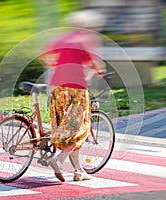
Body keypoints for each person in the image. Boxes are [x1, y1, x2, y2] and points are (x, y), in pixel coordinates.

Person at [39, 10, 106, 182]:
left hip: (58, 89)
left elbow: (42, 55)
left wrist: (54, 64)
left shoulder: (63, 38)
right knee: (79, 128)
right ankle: (59, 160)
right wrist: (99, 71)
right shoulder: (85, 40)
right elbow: (93, 62)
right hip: (76, 89)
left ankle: (78, 171)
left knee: (66, 127)